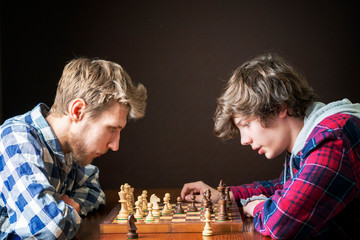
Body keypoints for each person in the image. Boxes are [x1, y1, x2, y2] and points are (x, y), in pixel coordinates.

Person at [181, 53, 360, 239]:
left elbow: (280, 223)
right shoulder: (307, 141)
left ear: (279, 107)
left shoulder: (334, 139)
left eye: (246, 124)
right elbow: (283, 187)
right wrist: (224, 196)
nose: (244, 140)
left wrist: (256, 206)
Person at [0, 58, 147, 239]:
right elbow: (50, 229)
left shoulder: (70, 149)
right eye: (112, 128)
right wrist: (64, 213)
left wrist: (67, 209)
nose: (115, 145)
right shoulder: (16, 138)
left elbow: (93, 190)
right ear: (77, 111)